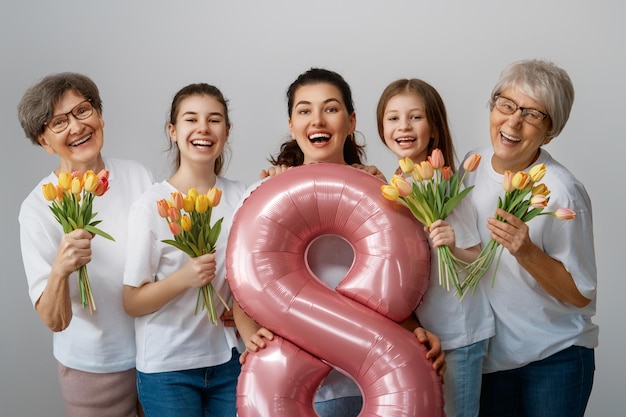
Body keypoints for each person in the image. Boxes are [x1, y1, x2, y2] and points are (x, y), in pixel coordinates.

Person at [233, 68, 445, 417]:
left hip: (382, 384)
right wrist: (248, 334)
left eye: (330, 108)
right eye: (304, 110)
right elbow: (243, 284)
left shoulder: (384, 195)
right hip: (291, 389)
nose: (317, 119)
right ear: (291, 124)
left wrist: (416, 334)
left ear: (351, 121)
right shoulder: (261, 198)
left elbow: (393, 291)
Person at [462, 59, 598, 417]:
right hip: (490, 359)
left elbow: (581, 295)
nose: (513, 121)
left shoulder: (562, 192)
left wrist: (526, 251)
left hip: (554, 359)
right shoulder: (469, 167)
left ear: (551, 132)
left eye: (533, 114)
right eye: (505, 104)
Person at [17, 72, 154, 417]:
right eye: (59, 122)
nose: (77, 127)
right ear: (45, 142)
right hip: (95, 368)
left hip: (159, 354)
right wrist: (61, 268)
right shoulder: (37, 208)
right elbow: (54, 320)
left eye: (83, 111)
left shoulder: (139, 176)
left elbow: (168, 262)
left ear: (100, 115)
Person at [122, 83, 245, 417]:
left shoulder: (242, 197)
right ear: (173, 131)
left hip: (227, 360)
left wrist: (244, 307)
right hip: (168, 368)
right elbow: (132, 301)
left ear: (227, 131)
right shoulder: (152, 205)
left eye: (214, 120)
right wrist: (185, 278)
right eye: (191, 119)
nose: (203, 128)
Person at [376, 78, 495, 417]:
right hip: (422, 333)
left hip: (459, 335)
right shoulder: (395, 183)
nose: (403, 127)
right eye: (393, 118)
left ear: (434, 128)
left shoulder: (442, 186)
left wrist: (453, 245)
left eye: (415, 117)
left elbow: (478, 261)